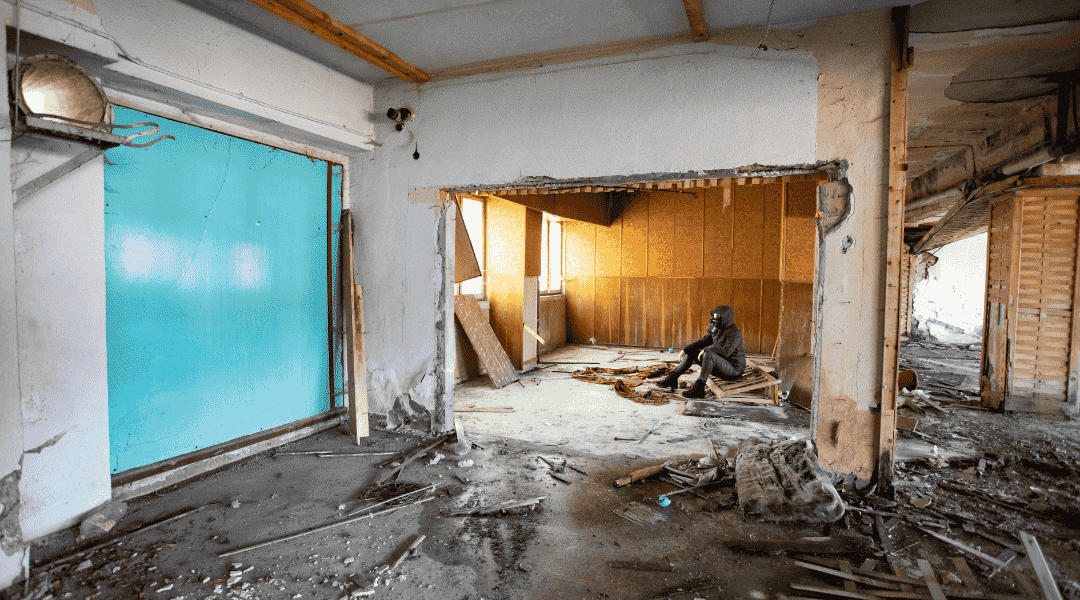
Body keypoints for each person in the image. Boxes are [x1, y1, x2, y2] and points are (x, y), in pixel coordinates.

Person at [656, 305, 746, 399]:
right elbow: (702, 342)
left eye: (717, 316)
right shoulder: (717, 329)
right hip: (721, 366)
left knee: (708, 353)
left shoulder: (735, 332)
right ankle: (672, 378)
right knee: (692, 352)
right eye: (714, 316)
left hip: (734, 369)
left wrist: (707, 350)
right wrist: (685, 349)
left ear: (725, 318)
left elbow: (727, 352)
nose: (714, 319)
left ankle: (699, 388)